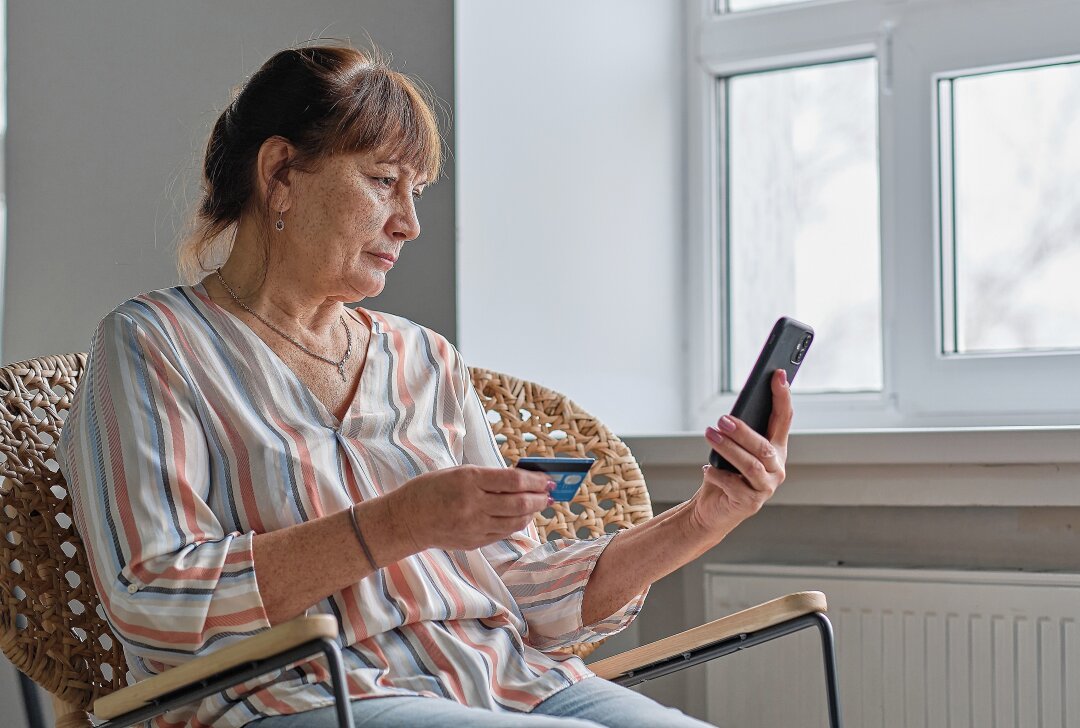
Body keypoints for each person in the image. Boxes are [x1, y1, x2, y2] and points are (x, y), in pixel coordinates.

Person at [58, 44, 793, 728]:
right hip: (299, 697)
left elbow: (522, 589)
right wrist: (397, 523)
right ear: (280, 172)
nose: (409, 223)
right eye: (383, 182)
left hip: (504, 681)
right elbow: (154, 600)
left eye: (416, 192)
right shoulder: (154, 345)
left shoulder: (425, 360)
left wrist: (702, 518)